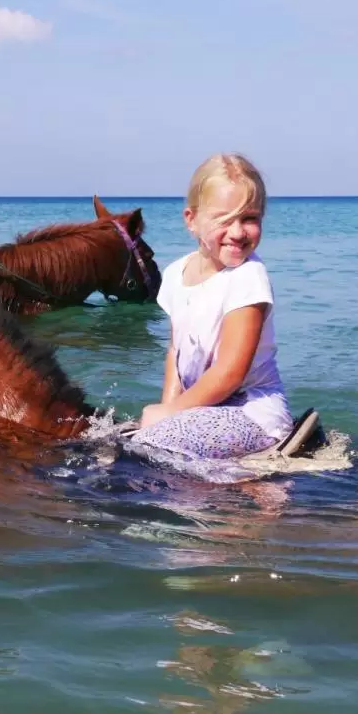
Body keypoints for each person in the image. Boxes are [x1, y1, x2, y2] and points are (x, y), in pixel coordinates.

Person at [129, 153, 294, 482]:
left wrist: (171, 416)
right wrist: (167, 408)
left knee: (151, 449)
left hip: (251, 414)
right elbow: (176, 353)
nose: (238, 231)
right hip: (204, 410)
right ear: (191, 220)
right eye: (224, 218)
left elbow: (230, 373)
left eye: (249, 218)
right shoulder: (177, 274)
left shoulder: (248, 278)